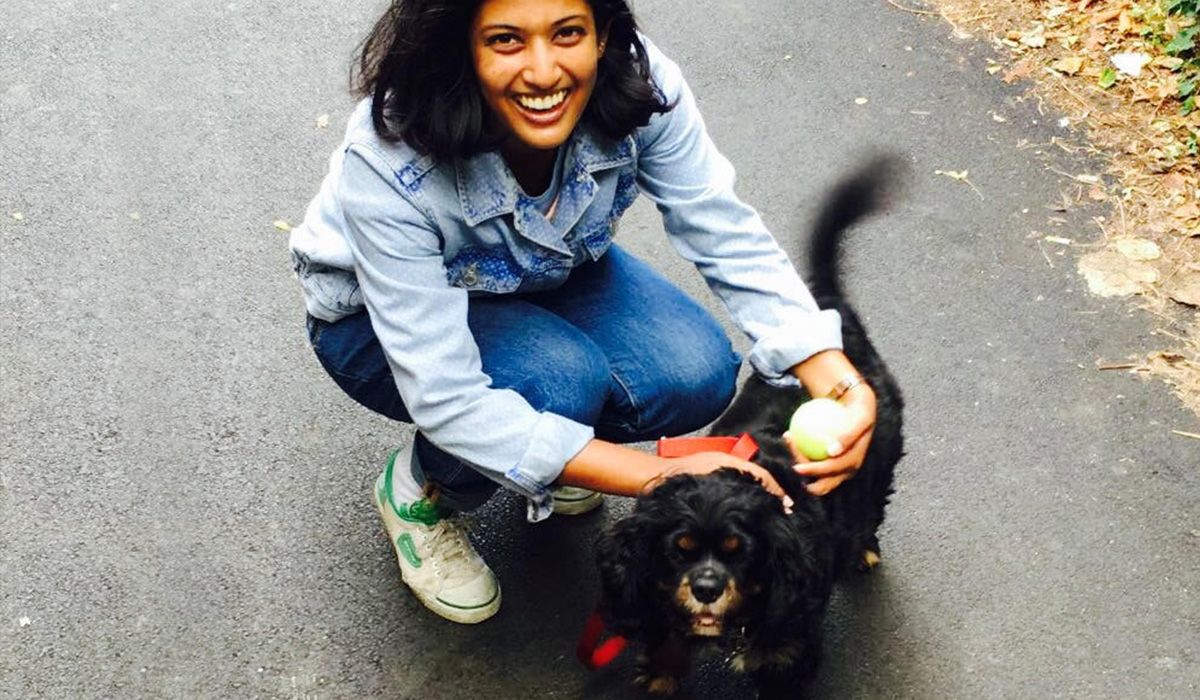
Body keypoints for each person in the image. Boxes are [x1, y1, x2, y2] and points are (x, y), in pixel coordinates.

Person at [289, 0, 878, 625]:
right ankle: (425, 492)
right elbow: (447, 398)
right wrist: (657, 475)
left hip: (543, 271)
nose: (544, 72)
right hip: (371, 323)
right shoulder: (389, 159)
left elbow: (721, 226)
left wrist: (839, 383)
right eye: (506, 40)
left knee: (697, 369)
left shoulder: (641, 85)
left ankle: (559, 448)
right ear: (462, 47)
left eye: (567, 33)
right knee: (559, 382)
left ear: (603, 36)